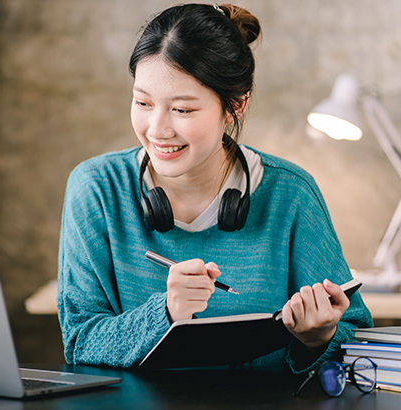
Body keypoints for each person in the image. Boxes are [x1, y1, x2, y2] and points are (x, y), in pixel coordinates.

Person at [56, 3, 372, 372]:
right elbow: (80, 340)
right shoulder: (96, 187)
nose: (157, 129)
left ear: (236, 105)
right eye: (142, 102)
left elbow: (355, 334)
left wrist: (319, 338)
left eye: (183, 110)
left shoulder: (291, 193)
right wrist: (167, 312)